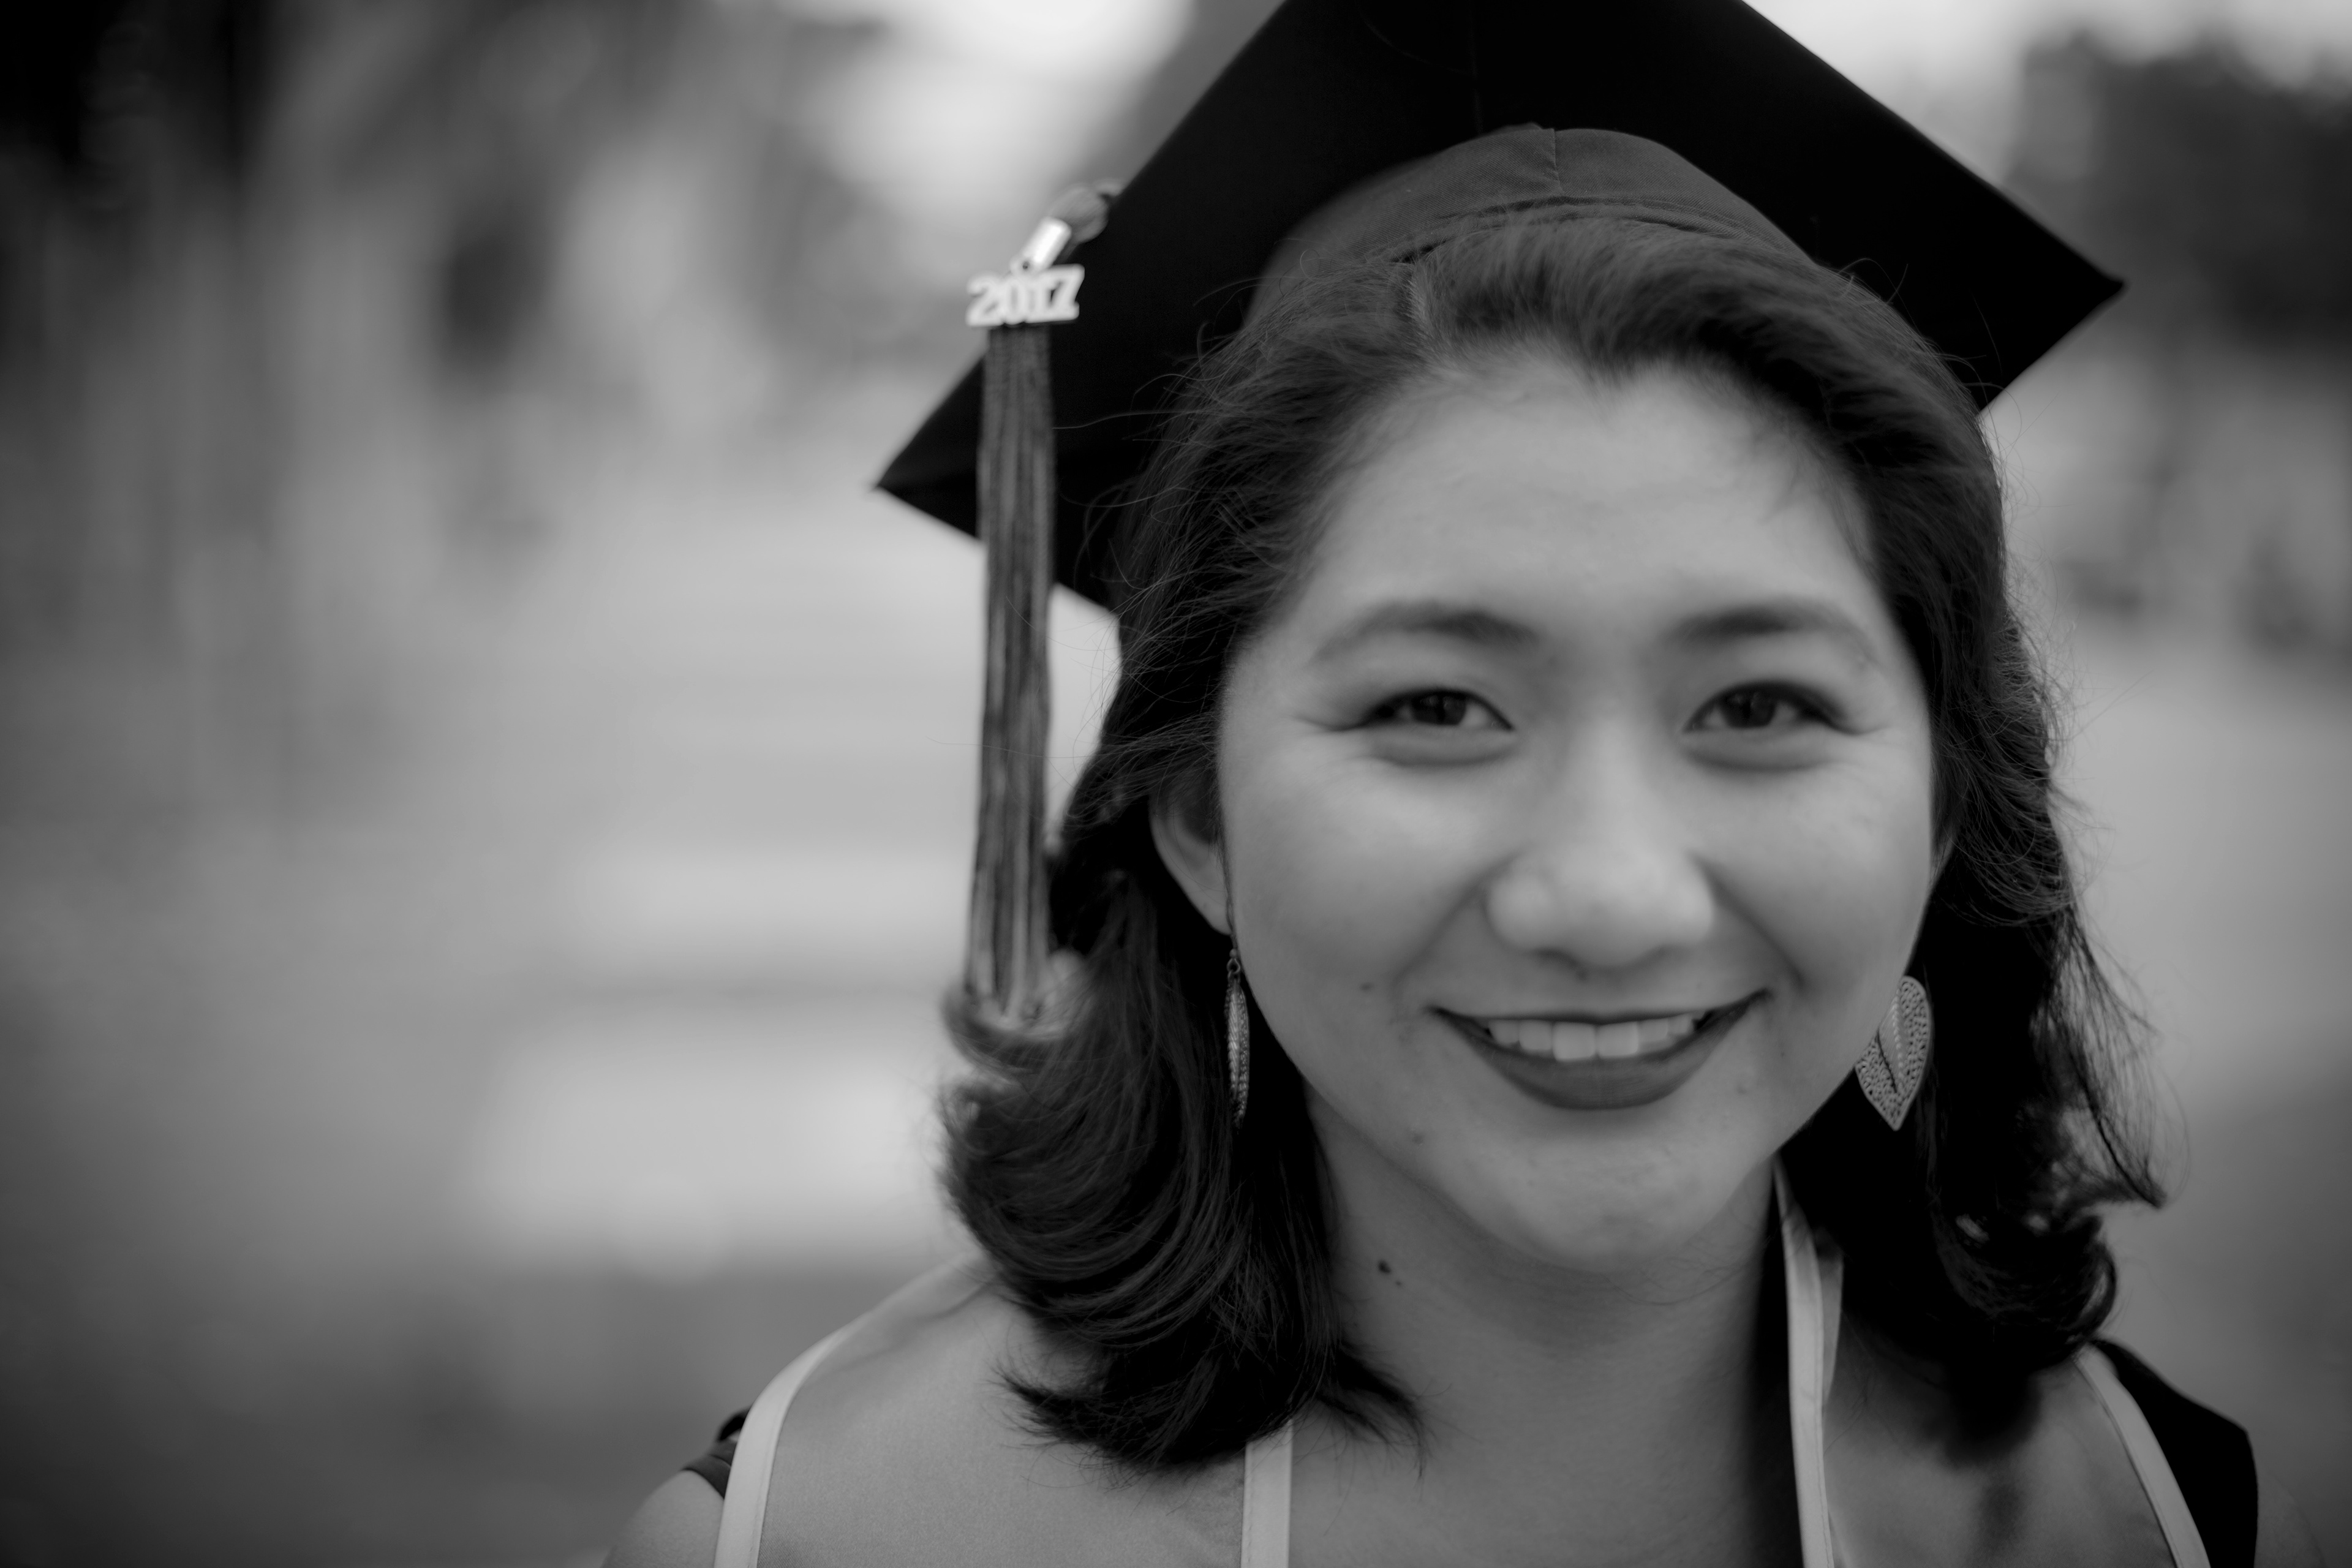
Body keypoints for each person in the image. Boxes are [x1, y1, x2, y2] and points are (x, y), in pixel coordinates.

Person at [609, 7, 2324, 1566]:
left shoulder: (2150, 1520)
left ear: (1944, 807)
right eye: (1435, 705)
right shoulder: (826, 1537)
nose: (1611, 897)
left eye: (1761, 704)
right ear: (1196, 818)